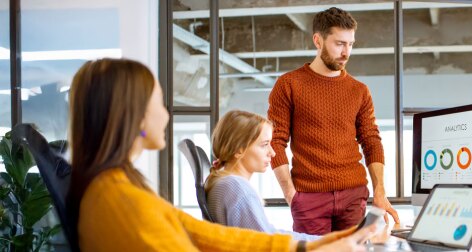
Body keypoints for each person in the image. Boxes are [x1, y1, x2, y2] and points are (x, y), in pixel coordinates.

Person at [65, 58, 375, 251]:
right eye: (159, 102)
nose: (167, 114)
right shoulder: (122, 202)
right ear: (134, 115)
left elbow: (209, 235)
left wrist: (327, 243)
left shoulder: (120, 188)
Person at [268, 7, 398, 235]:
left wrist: (380, 190)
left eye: (351, 44)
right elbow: (275, 141)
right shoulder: (288, 84)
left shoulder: (359, 90)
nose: (346, 52)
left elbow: (371, 141)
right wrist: (290, 194)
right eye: (339, 44)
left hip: (353, 196)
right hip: (308, 198)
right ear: (318, 41)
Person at [205, 110, 320, 241]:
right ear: (239, 149)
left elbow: (269, 233)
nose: (272, 153)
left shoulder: (224, 182)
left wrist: (321, 240)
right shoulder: (237, 189)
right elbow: (265, 242)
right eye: (264, 145)